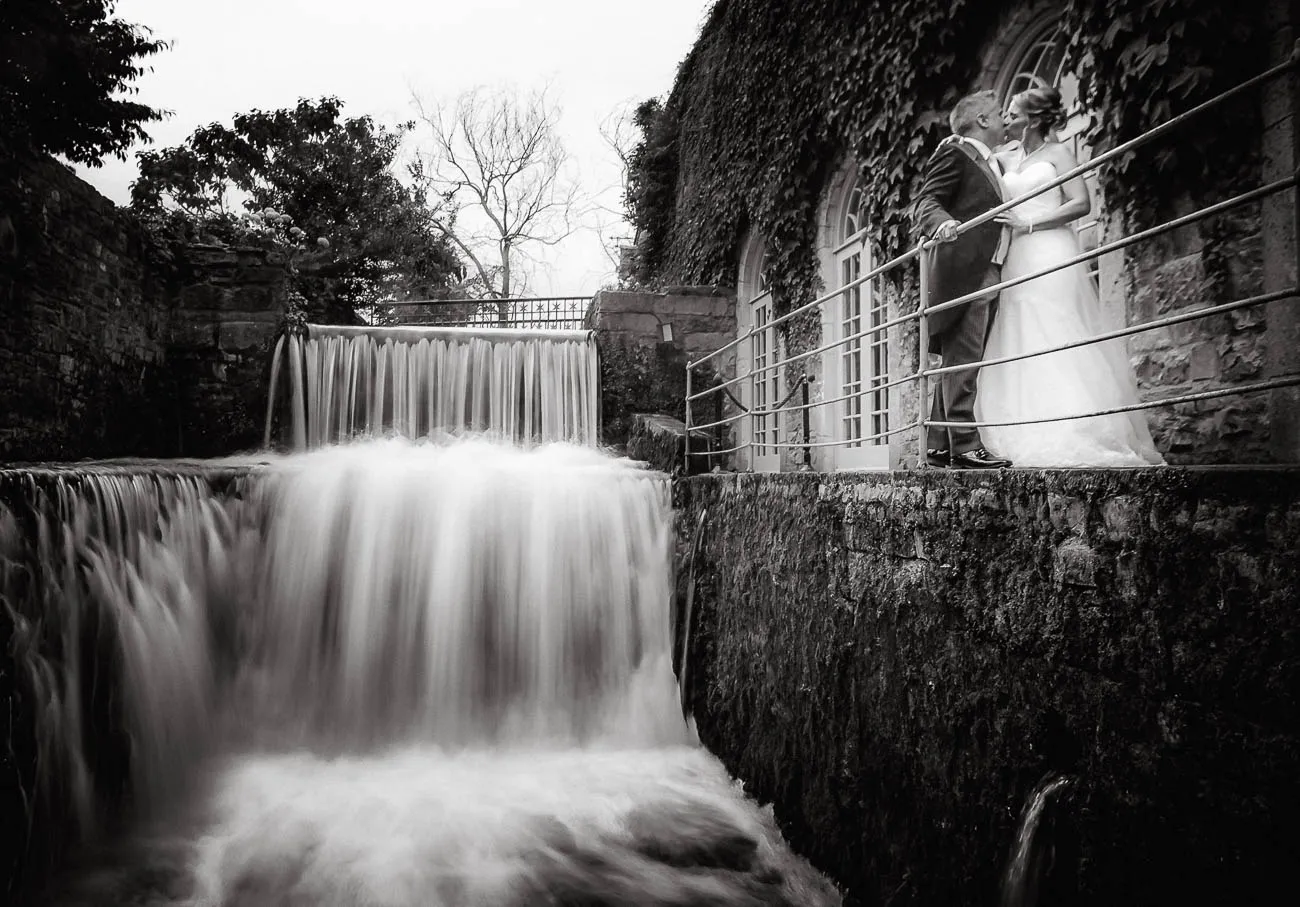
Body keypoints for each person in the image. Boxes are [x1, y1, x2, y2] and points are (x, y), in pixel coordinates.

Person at [977, 87, 1164, 467]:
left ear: (1032, 119)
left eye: (1012, 114)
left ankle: (1075, 428)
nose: (1007, 119)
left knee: (1057, 328)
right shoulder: (1006, 158)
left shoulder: (1059, 154)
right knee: (1019, 335)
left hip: (1049, 248)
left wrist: (1028, 221)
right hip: (1016, 258)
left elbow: (1082, 203)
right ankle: (1021, 427)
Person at [911, 90, 1014, 469]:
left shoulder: (992, 163)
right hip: (968, 269)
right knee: (964, 359)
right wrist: (943, 224)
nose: (1005, 120)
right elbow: (926, 201)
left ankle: (939, 443)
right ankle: (966, 446)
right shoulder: (955, 152)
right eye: (1000, 113)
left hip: (990, 265)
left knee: (960, 358)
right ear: (983, 120)